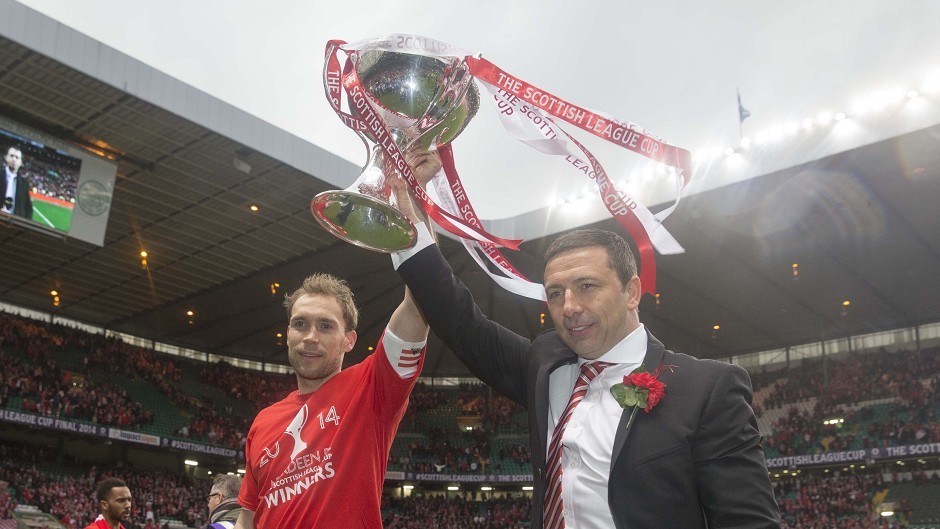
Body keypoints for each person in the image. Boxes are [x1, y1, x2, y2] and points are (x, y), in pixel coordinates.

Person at [388, 151, 781, 529]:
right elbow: (461, 323)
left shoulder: (706, 389)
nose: (569, 306)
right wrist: (410, 204)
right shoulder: (545, 365)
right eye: (556, 293)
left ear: (631, 292)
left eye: (587, 286)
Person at [234, 273, 428, 529]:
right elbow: (248, 517)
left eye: (326, 326)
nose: (311, 336)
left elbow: (418, 307)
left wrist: (417, 237)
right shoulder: (263, 421)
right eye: (300, 324)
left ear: (349, 340)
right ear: (288, 333)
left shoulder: (371, 389)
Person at [2, 145, 33, 219]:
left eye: (17, 157)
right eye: (11, 156)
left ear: (21, 162)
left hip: (14, 226)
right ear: (6, 157)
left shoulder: (24, 184)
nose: (14, 159)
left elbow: (28, 209)